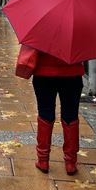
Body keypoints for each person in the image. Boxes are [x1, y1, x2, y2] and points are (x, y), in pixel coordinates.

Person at [15, 45, 84, 176]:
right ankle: (70, 162)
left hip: (44, 75)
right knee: (71, 117)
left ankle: (43, 160)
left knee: (45, 114)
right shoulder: (79, 25)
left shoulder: (41, 25)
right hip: (72, 74)